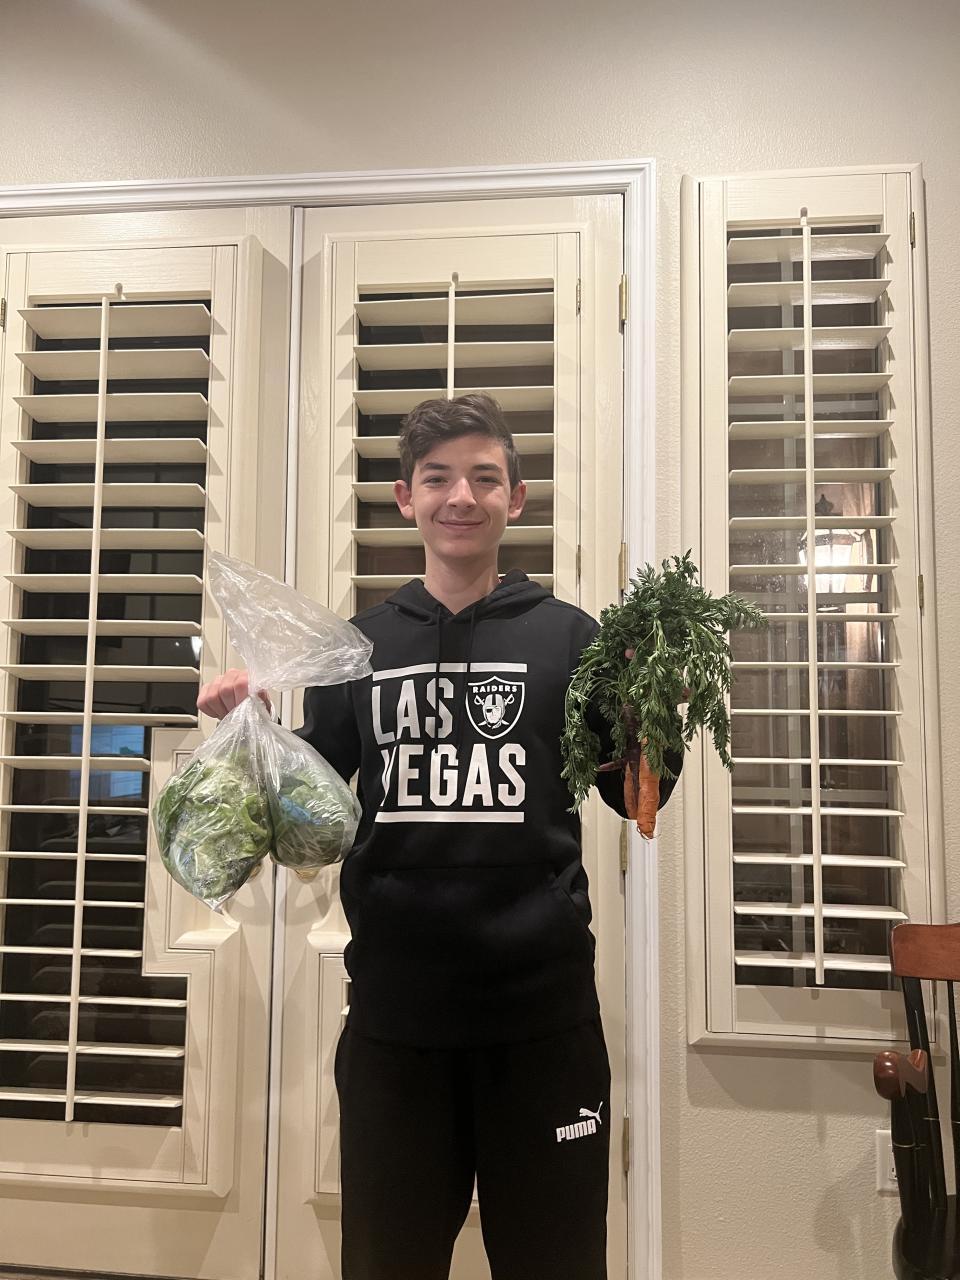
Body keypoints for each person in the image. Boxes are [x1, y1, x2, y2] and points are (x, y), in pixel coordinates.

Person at [197, 392, 681, 1280]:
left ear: (516, 500)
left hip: (544, 1025)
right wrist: (249, 732)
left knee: (555, 1264)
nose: (462, 496)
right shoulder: (356, 650)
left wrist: (657, 709)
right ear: (405, 498)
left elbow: (634, 797)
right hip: (396, 1023)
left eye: (485, 478)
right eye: (438, 478)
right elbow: (304, 814)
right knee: (389, 1263)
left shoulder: (572, 639)